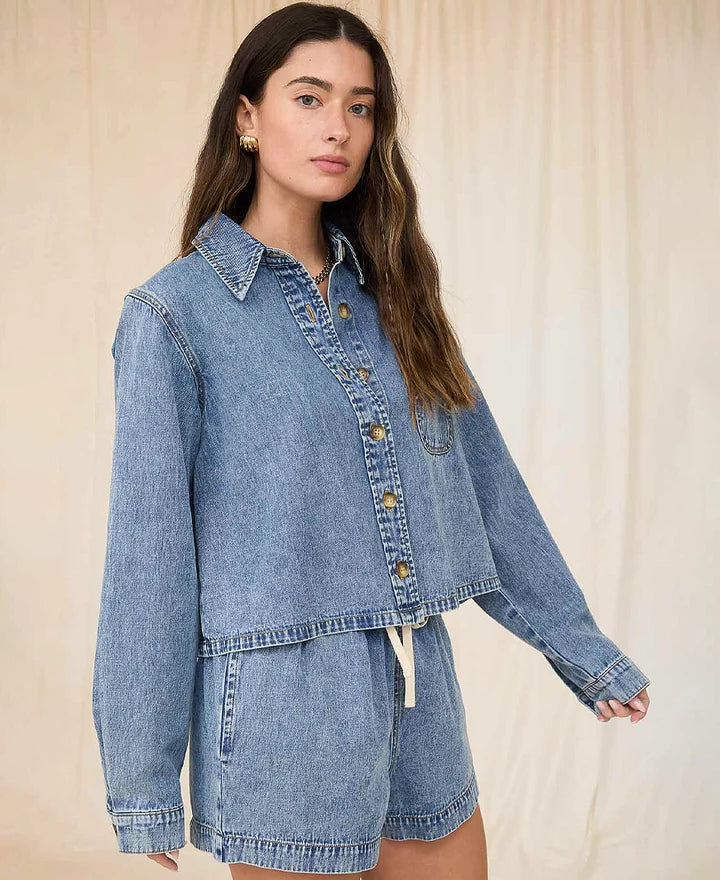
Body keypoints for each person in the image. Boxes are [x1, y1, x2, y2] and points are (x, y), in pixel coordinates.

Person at [91, 3, 651, 878]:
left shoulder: (398, 299)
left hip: (420, 699)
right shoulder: (174, 317)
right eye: (309, 98)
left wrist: (580, 649)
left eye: (361, 106)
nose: (339, 128)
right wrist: (144, 780)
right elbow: (148, 560)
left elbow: (488, 488)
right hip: (281, 714)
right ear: (246, 118)